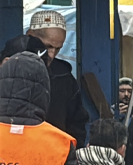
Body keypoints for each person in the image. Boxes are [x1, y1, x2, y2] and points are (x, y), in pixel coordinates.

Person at [26, 11, 88, 148]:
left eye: (58, 48)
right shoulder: (8, 68)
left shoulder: (64, 77)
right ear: (30, 35)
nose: (52, 54)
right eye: (48, 46)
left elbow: (77, 122)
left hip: (55, 152)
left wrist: (72, 151)